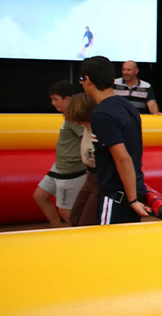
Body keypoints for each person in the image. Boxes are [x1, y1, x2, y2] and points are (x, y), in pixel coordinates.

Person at [80, 56, 151, 224]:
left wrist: (132, 200)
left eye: (81, 79)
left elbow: (122, 157)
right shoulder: (127, 106)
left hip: (116, 195)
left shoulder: (101, 114)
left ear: (88, 80)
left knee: (108, 245)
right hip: (132, 188)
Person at [32, 81, 86, 227]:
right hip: (58, 168)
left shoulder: (74, 118)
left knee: (65, 212)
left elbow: (88, 137)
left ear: (67, 99)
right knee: (40, 196)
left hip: (69, 171)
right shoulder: (68, 116)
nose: (53, 103)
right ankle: (57, 229)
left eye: (56, 99)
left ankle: (83, 236)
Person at [64, 93, 99, 226]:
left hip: (99, 177)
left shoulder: (97, 130)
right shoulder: (85, 129)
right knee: (75, 217)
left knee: (86, 221)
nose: (77, 123)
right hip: (89, 176)